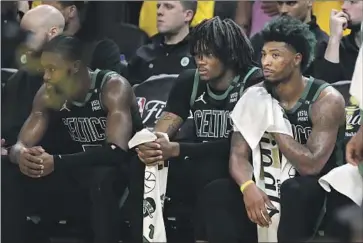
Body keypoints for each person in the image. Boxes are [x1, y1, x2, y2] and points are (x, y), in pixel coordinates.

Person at [201, 16, 347, 243]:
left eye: (275, 56)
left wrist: (274, 122)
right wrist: (247, 187)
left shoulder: (325, 100)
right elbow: (238, 155)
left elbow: (311, 165)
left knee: (295, 190)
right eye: (263, 55)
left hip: (316, 186)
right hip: (264, 178)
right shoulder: (256, 95)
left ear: (297, 59)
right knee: (217, 191)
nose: (266, 62)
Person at [129, 16, 264, 242]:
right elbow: (166, 124)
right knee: (140, 166)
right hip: (198, 158)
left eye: (208, 55)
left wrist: (178, 149)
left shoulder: (254, 83)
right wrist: (152, 144)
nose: (200, 61)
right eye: (197, 54)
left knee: (210, 176)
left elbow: (244, 147)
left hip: (240, 166)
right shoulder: (189, 81)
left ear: (229, 54)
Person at [2, 35, 143, 243]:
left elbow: (116, 152)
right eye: (44, 69)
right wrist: (22, 156)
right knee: (7, 173)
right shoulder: (48, 93)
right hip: (75, 169)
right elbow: (21, 144)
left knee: (101, 177)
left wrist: (56, 161)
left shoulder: (112, 87)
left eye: (52, 69)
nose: (46, 77)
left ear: (75, 66)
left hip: (124, 173)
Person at [251, 0, 329, 76]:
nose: (283, 10)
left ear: (310, 2)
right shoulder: (259, 40)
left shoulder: (323, 44)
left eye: (291, 3)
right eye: (280, 3)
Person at [127, 1, 197, 85]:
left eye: (168, 6)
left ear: (188, 15)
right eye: (158, 6)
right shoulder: (142, 55)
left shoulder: (200, 55)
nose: (159, 12)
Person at [42, 1, 121, 73]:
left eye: (51, 11)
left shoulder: (103, 49)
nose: (44, 18)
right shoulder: (43, 44)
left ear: (71, 11)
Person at [315, 0, 362, 83]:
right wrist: (334, 37)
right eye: (344, 1)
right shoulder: (338, 47)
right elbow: (326, 88)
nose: (343, 6)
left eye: (352, 2)